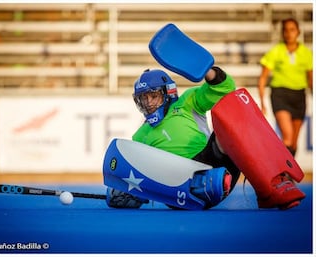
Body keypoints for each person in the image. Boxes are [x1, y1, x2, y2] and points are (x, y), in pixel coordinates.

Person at [106, 65, 305, 210]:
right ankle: (210, 185)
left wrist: (207, 69)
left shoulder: (186, 102)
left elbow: (225, 88)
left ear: (168, 93)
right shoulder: (139, 136)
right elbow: (141, 174)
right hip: (179, 188)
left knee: (231, 119)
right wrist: (125, 189)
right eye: (143, 98)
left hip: (212, 164)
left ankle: (271, 187)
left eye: (153, 95)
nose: (148, 103)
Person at [257, 18, 313, 157]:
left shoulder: (306, 53)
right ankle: (283, 173)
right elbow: (263, 78)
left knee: (294, 142)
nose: (289, 33)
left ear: (298, 32)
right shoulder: (276, 51)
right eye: (286, 30)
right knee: (287, 137)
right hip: (280, 94)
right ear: (282, 33)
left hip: (299, 96)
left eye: (292, 30)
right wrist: (262, 103)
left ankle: (289, 174)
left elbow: (311, 78)